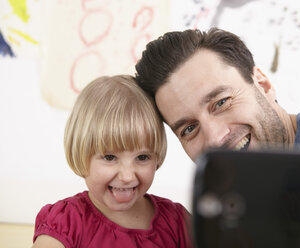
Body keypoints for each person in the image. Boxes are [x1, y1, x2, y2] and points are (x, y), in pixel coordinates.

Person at [135, 27, 300, 161]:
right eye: (188, 129)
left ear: (263, 85)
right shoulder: (228, 209)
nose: (215, 139)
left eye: (221, 102)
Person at [32, 75, 193, 248]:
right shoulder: (65, 223)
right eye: (110, 157)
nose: (127, 176)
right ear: (81, 154)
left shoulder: (178, 223)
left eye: (142, 157)